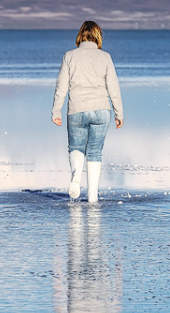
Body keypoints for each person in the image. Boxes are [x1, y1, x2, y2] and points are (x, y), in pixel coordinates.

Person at [51, 21, 124, 203]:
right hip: (101, 111)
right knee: (95, 152)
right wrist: (119, 114)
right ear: (98, 36)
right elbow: (113, 88)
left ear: (80, 35)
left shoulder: (69, 56)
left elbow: (61, 87)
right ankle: (92, 197)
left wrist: (56, 111)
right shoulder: (105, 57)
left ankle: (76, 178)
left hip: (76, 110)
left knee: (75, 148)